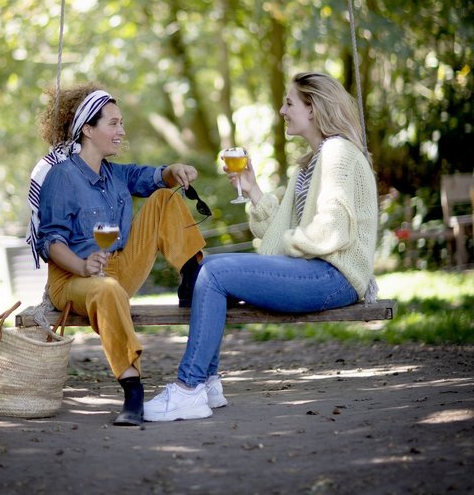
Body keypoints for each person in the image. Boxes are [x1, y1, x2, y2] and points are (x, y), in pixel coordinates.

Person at [143, 71, 379, 422]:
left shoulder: (338, 153)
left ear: (313, 108)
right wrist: (252, 189)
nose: (282, 111)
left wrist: (284, 247)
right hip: (317, 272)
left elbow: (330, 233)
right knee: (207, 271)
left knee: (215, 273)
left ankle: (189, 388)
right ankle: (206, 383)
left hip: (335, 277)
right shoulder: (309, 165)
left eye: (289, 103)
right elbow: (277, 236)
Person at [28, 83, 206, 427]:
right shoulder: (62, 177)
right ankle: (133, 390)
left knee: (164, 197)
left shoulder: (115, 174)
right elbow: (50, 242)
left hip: (119, 267)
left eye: (121, 123)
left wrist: (174, 170)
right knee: (106, 288)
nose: (121, 130)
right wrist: (83, 265)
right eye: (113, 123)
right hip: (73, 279)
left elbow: (153, 178)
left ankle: (191, 276)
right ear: (87, 129)